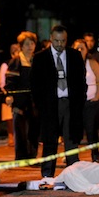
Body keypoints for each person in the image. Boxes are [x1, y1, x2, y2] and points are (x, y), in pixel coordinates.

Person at [30, 24, 87, 179]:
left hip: (71, 104)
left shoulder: (75, 56)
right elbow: (34, 85)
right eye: (56, 41)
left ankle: (74, 174)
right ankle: (47, 175)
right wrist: (41, 106)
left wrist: (80, 100)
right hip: (50, 106)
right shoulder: (40, 58)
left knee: (71, 140)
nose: (60, 44)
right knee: (50, 141)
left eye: (63, 41)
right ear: (51, 39)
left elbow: (82, 82)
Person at [5, 31, 40, 160]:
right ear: (21, 46)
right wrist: (10, 96)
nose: (30, 46)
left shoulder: (37, 60)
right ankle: (21, 157)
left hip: (34, 102)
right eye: (26, 44)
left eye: (32, 43)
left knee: (34, 129)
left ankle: (33, 156)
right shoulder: (15, 62)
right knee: (20, 130)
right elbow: (10, 81)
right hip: (19, 102)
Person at [73, 38, 99, 162]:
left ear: (87, 50)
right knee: (74, 131)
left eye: (82, 48)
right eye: (77, 48)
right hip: (75, 103)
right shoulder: (69, 64)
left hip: (90, 102)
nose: (80, 50)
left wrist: (97, 96)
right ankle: (72, 156)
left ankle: (95, 154)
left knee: (91, 130)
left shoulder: (91, 63)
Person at [0, 43, 19, 147]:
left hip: (19, 95)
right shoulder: (6, 64)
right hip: (8, 94)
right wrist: (6, 92)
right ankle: (11, 138)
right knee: (9, 119)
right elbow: (1, 81)